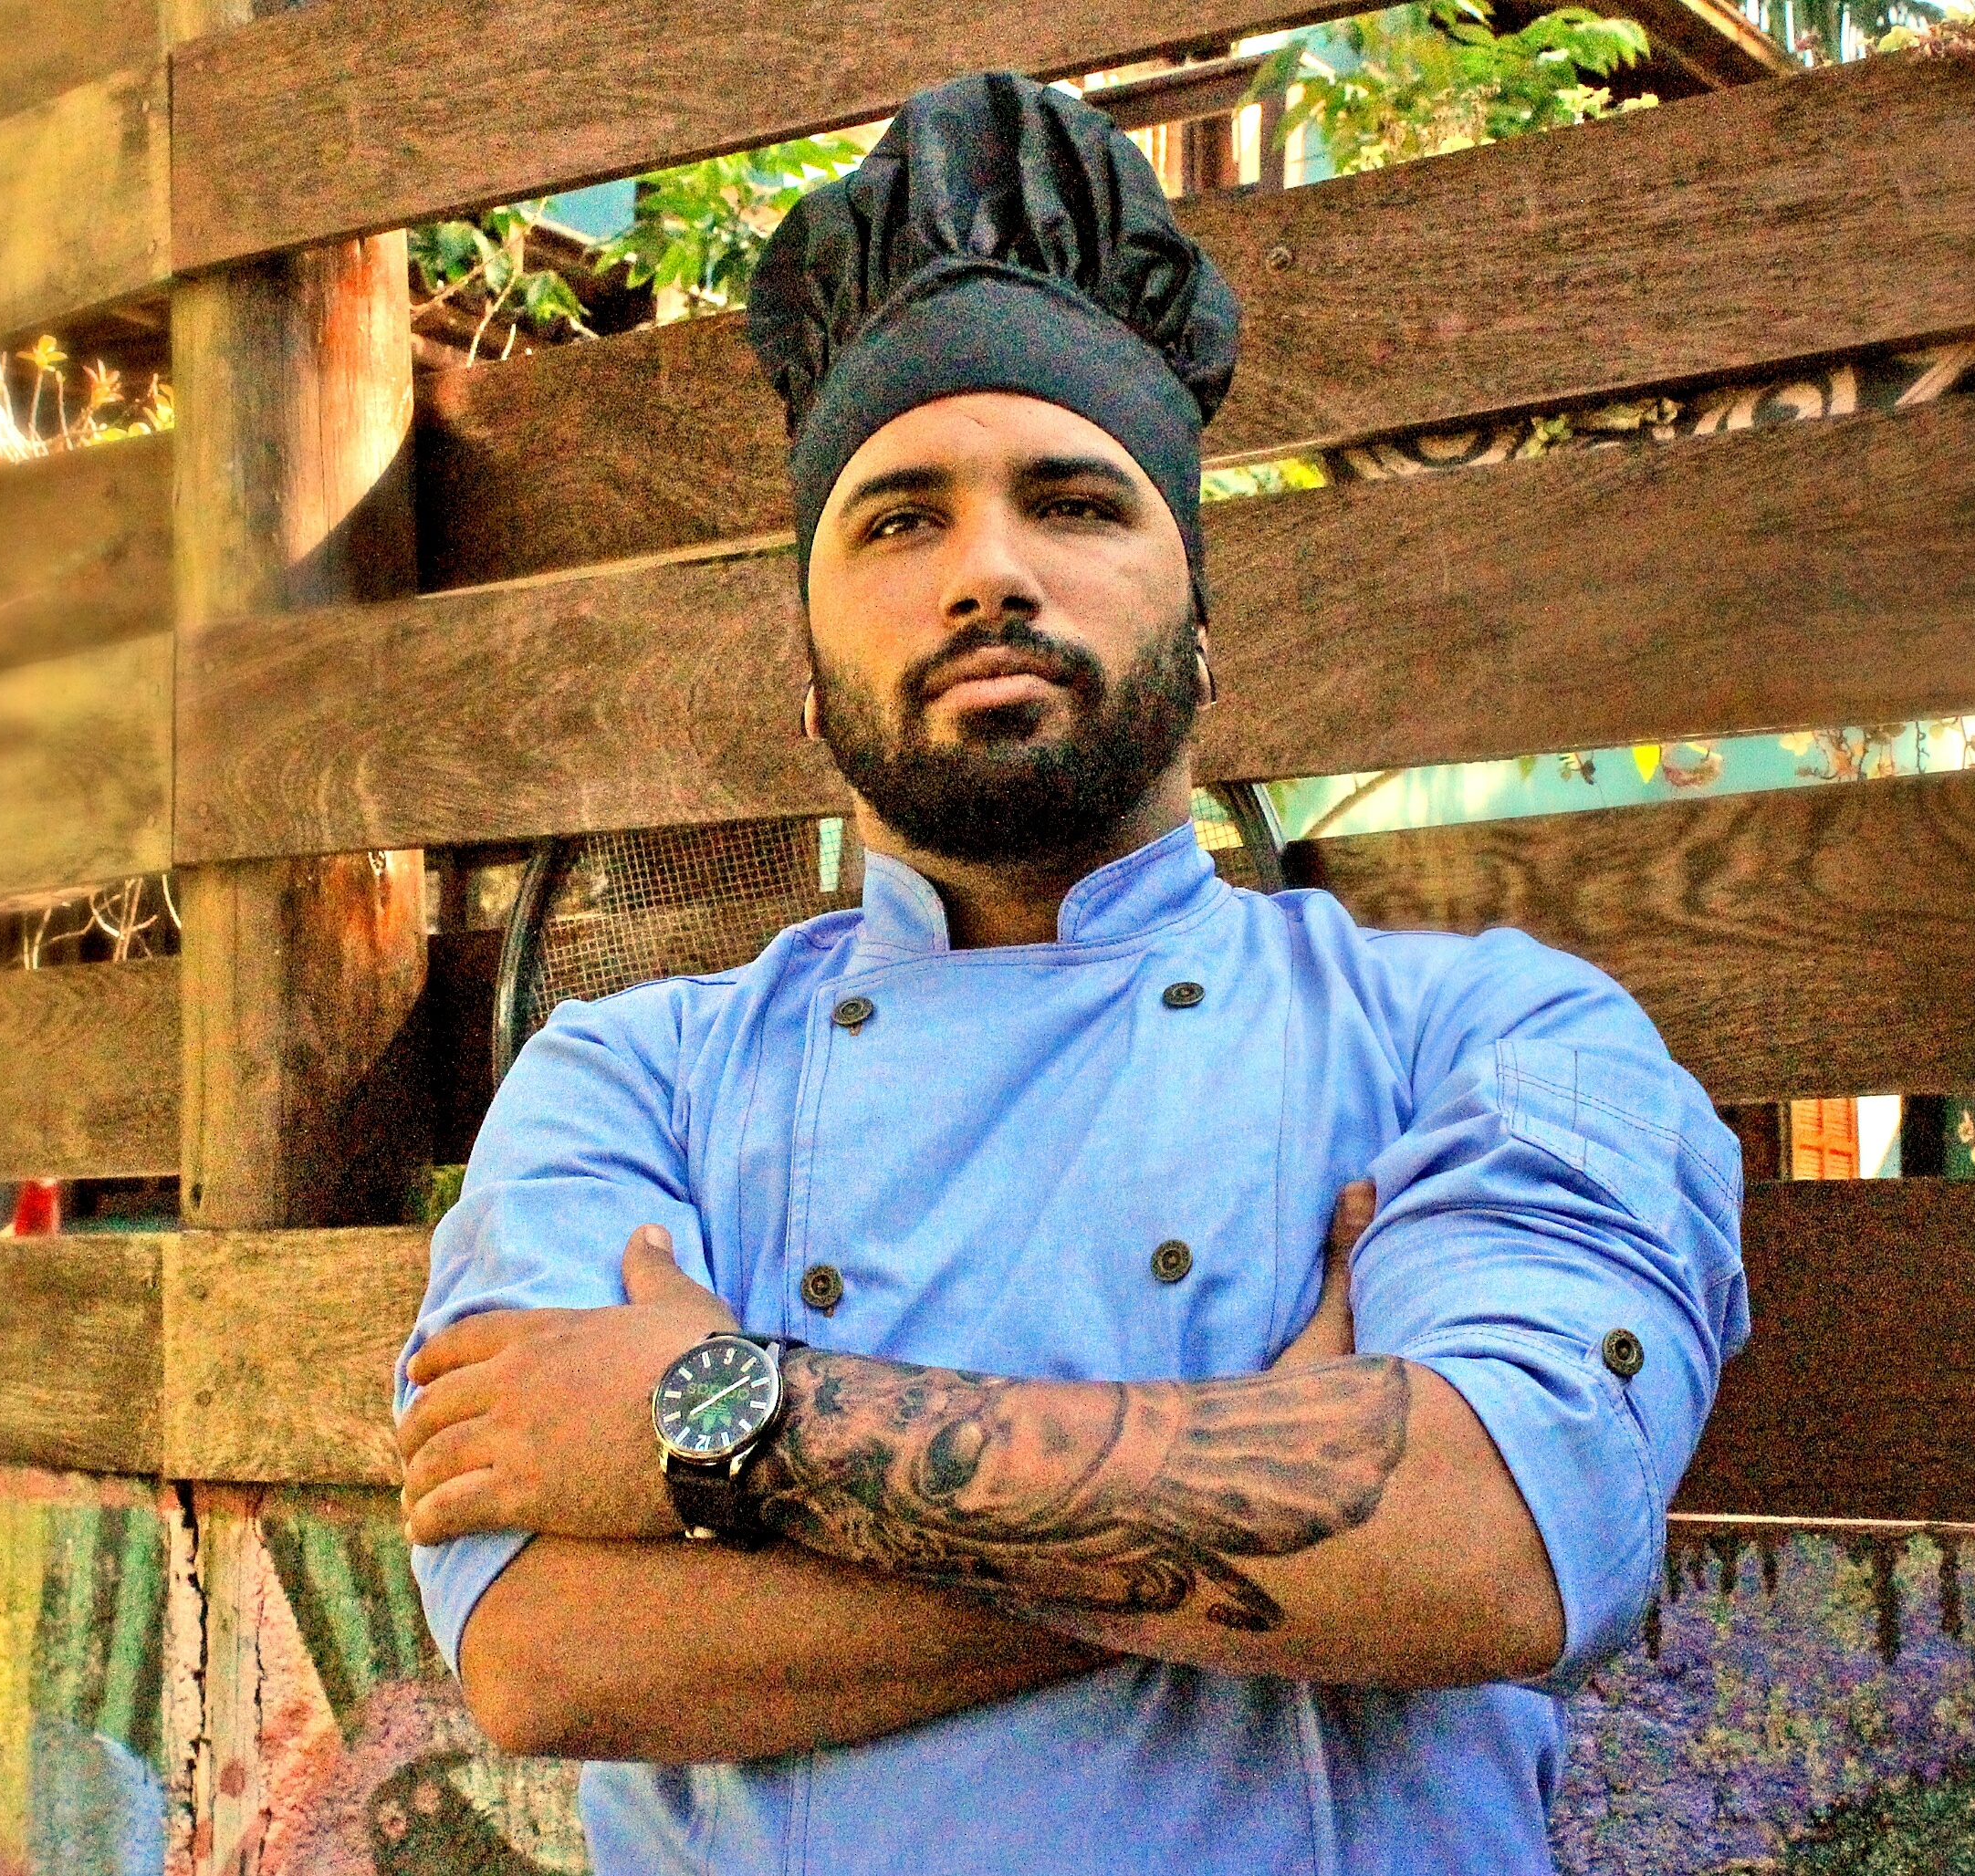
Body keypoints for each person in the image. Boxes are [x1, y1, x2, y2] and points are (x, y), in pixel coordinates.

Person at [392, 72, 1747, 1874]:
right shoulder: (625, 1076)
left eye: (1072, 501)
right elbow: (552, 1651)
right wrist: (1267, 1502)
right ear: (803, 669)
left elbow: (1487, 1547)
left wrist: (717, 1415)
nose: (990, 570)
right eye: (896, 518)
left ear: (1199, 622)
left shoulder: (1491, 1035)